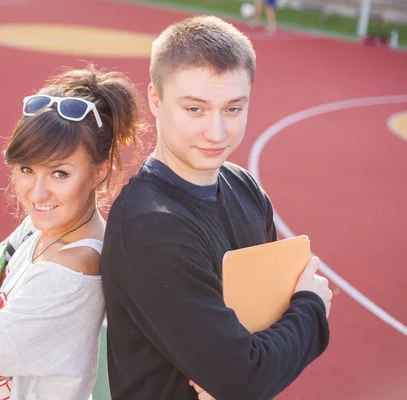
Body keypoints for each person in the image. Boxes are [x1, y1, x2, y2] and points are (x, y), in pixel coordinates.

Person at [100, 15, 332, 400]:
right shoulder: (150, 229)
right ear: (155, 101)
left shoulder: (244, 186)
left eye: (233, 109)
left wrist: (243, 370)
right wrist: (312, 308)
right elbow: (246, 377)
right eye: (195, 109)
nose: (217, 133)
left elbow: (265, 324)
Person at [0, 66, 141, 400]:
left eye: (60, 174)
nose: (36, 195)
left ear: (99, 171)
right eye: (26, 170)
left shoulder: (72, 268)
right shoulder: (37, 228)